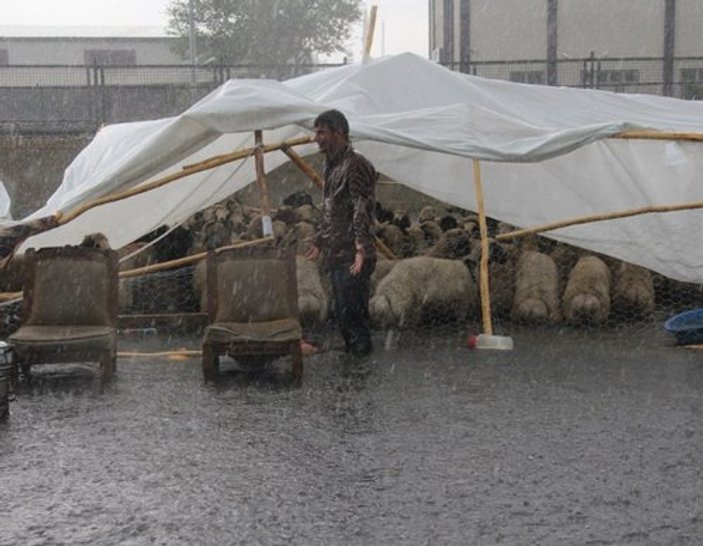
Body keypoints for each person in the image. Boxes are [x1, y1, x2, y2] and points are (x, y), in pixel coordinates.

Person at [305, 109, 377, 357]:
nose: (317, 138)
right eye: (316, 132)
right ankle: (353, 369)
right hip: (337, 254)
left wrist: (360, 249)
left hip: (351, 256)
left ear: (340, 133)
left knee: (353, 318)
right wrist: (320, 240)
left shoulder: (355, 165)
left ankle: (359, 373)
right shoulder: (333, 167)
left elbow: (360, 209)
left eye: (322, 132)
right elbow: (333, 211)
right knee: (344, 317)